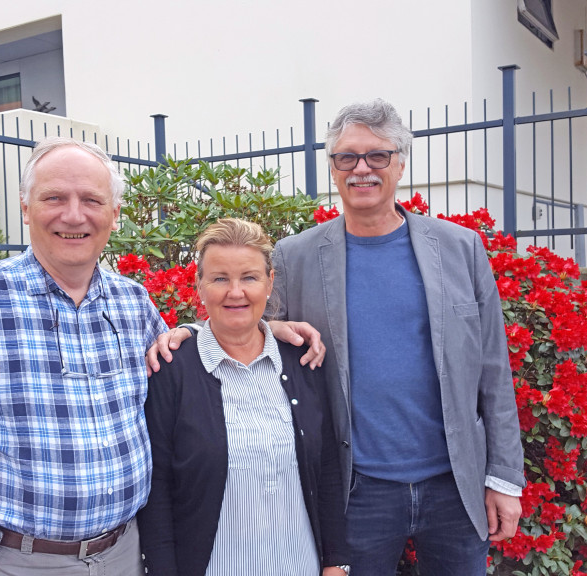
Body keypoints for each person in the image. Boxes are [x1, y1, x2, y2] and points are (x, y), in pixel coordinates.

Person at [151, 99, 525, 575]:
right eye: (346, 157)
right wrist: (188, 332)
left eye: (377, 156)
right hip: (357, 490)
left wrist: (505, 480)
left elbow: (493, 366)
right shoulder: (296, 255)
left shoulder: (459, 248)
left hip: (456, 485)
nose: (361, 169)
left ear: (401, 163)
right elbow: (244, 322)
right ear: (332, 167)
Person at [0, 137, 168, 576]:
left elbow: (191, 362)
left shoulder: (133, 303)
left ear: (114, 214)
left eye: (91, 200)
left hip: (125, 556)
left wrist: (267, 332)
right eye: (54, 197)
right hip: (15, 562)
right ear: (25, 208)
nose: (73, 215)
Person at [138, 218, 348, 576]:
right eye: (220, 278)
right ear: (199, 286)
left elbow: (327, 468)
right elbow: (156, 494)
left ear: (269, 282)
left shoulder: (301, 362)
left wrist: (336, 564)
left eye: (249, 277)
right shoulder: (173, 372)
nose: (236, 292)